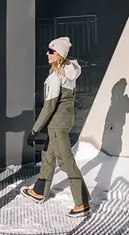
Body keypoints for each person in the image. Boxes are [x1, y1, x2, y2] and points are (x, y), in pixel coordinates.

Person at [22, 36, 90, 217]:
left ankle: (82, 202)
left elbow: (49, 106)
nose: (47, 53)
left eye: (51, 51)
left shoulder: (56, 77)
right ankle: (38, 191)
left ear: (59, 54)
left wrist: (34, 130)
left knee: (67, 162)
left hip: (57, 124)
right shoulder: (69, 72)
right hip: (65, 120)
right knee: (48, 155)